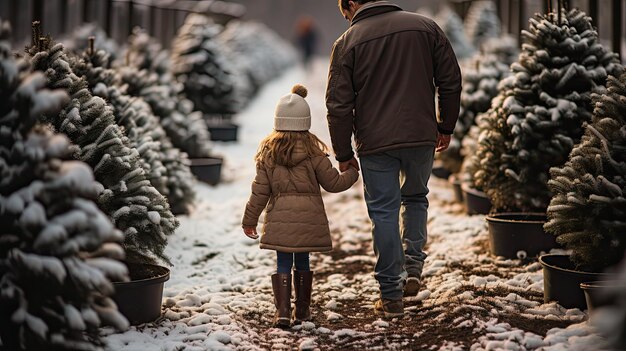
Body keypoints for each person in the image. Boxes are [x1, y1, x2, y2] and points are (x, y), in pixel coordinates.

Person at [326, 0, 462, 318]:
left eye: (344, 12)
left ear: (352, 4)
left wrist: (343, 153)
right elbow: (451, 80)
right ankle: (413, 269)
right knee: (416, 198)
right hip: (421, 136)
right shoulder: (426, 27)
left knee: (384, 212)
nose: (347, 18)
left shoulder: (347, 42)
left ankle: (390, 295)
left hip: (375, 143)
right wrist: (446, 125)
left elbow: (338, 105)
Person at [242, 84, 359, 328]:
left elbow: (259, 191)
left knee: (283, 262)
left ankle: (283, 312)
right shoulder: (314, 152)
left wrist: (249, 220)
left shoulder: (268, 154)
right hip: (308, 221)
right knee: (302, 261)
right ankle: (302, 311)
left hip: (280, 222)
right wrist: (352, 173)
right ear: (305, 122)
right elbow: (334, 183)